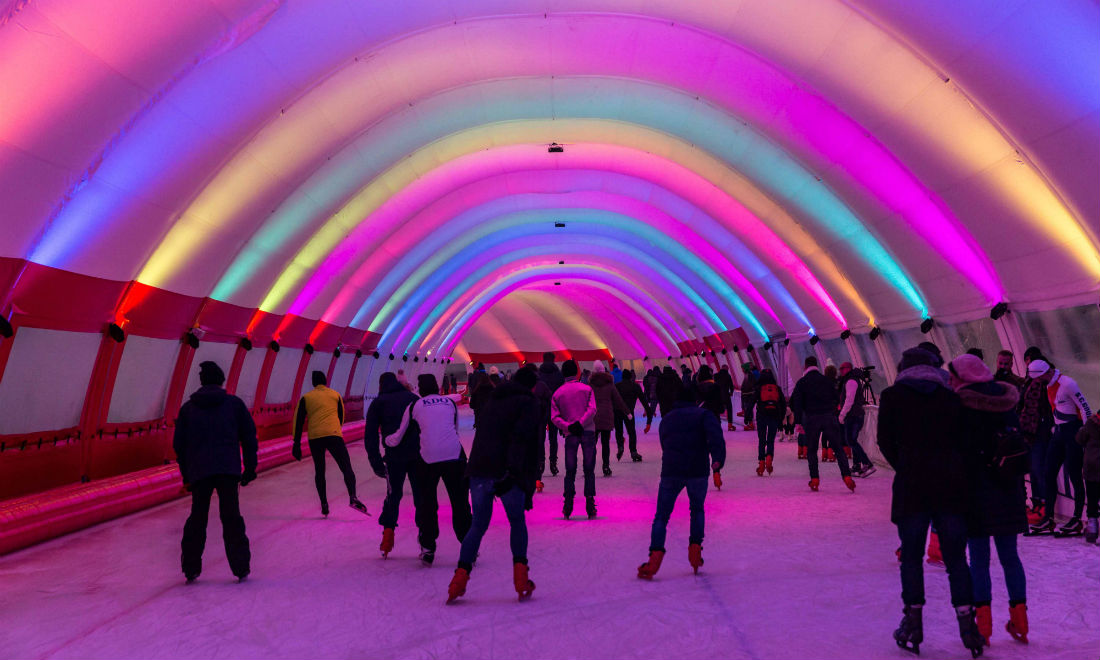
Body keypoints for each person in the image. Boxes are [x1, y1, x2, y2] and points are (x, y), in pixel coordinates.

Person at [878, 348, 984, 658]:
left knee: (911, 556)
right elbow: (965, 442)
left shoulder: (892, 396)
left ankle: (913, 623)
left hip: (912, 486)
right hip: (949, 486)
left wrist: (906, 464)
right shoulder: (951, 398)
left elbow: (885, 441)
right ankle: (968, 626)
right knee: (955, 559)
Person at [949, 354, 1029, 646]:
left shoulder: (961, 406)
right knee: (1010, 557)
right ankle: (1021, 619)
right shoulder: (1007, 402)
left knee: (979, 560)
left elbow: (956, 451)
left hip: (976, 492)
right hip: (1008, 489)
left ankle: (984, 625)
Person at [447, 368, 542, 603]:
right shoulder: (528, 403)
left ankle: (458, 580)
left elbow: (482, 437)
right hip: (506, 471)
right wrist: (516, 473)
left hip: (480, 469)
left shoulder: (493, 400)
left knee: (478, 525)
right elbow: (523, 440)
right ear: (532, 386)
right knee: (517, 521)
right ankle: (521, 577)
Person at [173, 361, 258, 583]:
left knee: (198, 517)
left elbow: (179, 445)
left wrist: (186, 475)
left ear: (201, 382)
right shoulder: (234, 405)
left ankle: (191, 567)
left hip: (199, 471)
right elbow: (249, 437)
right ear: (221, 381)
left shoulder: (188, 409)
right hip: (228, 469)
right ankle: (241, 567)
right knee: (231, 517)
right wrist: (250, 467)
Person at [637, 385, 726, 579]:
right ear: (694, 399)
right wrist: (718, 460)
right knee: (697, 510)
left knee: (662, 516)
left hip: (671, 471)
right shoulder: (704, 415)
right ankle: (695, 551)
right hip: (697, 471)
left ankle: (654, 558)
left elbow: (664, 442)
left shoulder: (668, 418)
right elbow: (716, 438)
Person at [384, 374, 472, 565]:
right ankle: (468, 544)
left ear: (420, 389)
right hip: (454, 456)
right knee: (460, 502)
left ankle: (428, 546)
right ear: (437, 386)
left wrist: (386, 440)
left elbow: (399, 436)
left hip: (428, 459)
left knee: (427, 503)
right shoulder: (450, 404)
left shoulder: (415, 406)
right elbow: (455, 431)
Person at [1028, 359, 1093, 536]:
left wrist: (1084, 434)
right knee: (1048, 472)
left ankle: (1077, 518)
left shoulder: (1068, 383)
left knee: (1075, 475)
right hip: (1059, 433)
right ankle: (1048, 517)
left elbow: (1085, 408)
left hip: (1073, 432)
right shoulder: (1048, 384)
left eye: (1039, 379)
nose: (1038, 383)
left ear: (1046, 373)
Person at [291, 371, 369, 517]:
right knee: (346, 467)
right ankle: (353, 496)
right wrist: (336, 429)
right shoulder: (335, 395)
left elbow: (299, 420)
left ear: (313, 382)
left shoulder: (306, 397)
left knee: (320, 471)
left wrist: (296, 443)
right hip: (334, 435)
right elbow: (341, 415)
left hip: (315, 437)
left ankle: (324, 504)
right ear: (326, 381)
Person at [364, 372, 422, 558]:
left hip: (393, 457)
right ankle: (425, 537)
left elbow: (370, 435)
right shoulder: (413, 398)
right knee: (421, 496)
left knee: (393, 495)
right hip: (416, 455)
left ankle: (387, 536)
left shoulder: (379, 403)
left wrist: (375, 462)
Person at [790, 356, 855, 492]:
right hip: (828, 417)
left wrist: (798, 422)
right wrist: (831, 411)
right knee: (838, 449)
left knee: (812, 450)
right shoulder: (826, 381)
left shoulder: (802, 382)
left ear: (805, 366)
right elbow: (837, 398)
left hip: (812, 419)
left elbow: (795, 402)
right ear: (817, 366)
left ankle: (815, 479)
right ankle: (847, 476)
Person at [550, 359, 598, 519]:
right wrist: (581, 423)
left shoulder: (558, 394)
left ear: (563, 373)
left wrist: (568, 426)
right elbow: (592, 409)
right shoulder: (587, 389)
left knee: (570, 469)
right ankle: (590, 502)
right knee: (588, 468)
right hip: (588, 431)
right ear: (577, 372)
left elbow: (554, 417)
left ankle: (568, 503)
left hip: (570, 434)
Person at [1017, 351, 1054, 524]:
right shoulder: (1031, 381)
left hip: (1039, 429)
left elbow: (1045, 406)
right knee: (1033, 467)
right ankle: (1038, 502)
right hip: (1030, 430)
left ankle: (1046, 505)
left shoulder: (1043, 383)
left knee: (1039, 467)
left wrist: (1047, 424)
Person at [589, 360, 630, 477]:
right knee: (605, 443)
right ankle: (606, 466)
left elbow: (585, 401)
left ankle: (589, 465)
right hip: (607, 416)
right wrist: (627, 412)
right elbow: (618, 400)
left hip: (594, 417)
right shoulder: (609, 384)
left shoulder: (590, 385)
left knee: (592, 444)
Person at [838, 362, 876, 478]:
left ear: (848, 369)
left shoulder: (851, 381)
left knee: (851, 441)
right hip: (854, 415)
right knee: (853, 440)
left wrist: (842, 414)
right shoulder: (851, 380)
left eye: (842, 368)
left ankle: (867, 464)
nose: (840, 371)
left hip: (853, 415)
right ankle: (856, 466)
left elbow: (849, 400)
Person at [752, 369, 786, 476]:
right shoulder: (777, 388)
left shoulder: (759, 388)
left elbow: (751, 402)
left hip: (761, 416)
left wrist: (747, 415)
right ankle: (769, 458)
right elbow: (783, 404)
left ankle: (761, 464)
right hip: (774, 416)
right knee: (770, 440)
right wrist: (781, 418)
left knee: (762, 440)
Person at [537, 352, 565, 476]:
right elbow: (562, 394)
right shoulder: (559, 375)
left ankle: (541, 461)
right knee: (553, 438)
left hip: (541, 410)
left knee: (540, 438)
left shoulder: (538, 374)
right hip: (554, 410)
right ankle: (553, 463)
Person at [1076, 412, 1100, 544]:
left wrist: (1081, 429)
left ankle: (1092, 527)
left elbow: (1079, 439)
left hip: (1092, 466)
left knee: (1092, 498)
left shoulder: (1091, 423)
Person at [615, 369, 648, 462]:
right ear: (630, 377)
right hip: (629, 412)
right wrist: (648, 409)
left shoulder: (617, 386)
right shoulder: (635, 386)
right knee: (631, 432)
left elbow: (612, 398)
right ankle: (633, 451)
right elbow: (643, 399)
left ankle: (620, 446)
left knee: (619, 430)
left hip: (617, 411)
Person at [714, 364, 737, 431]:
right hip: (726, 396)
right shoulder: (728, 376)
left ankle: (717, 424)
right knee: (729, 409)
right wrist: (731, 393)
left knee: (716, 410)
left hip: (718, 396)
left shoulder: (716, 375)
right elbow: (731, 386)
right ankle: (730, 425)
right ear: (726, 369)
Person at [740, 362, 759, 431]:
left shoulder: (749, 375)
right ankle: (750, 424)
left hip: (748, 394)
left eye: (742, 369)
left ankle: (751, 424)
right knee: (748, 409)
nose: (742, 370)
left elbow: (751, 384)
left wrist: (744, 389)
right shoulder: (747, 374)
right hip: (747, 394)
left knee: (749, 409)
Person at [643, 366, 661, 433]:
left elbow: (647, 386)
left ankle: (648, 425)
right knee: (665, 412)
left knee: (650, 410)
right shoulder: (661, 377)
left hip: (653, 396)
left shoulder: (650, 378)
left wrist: (648, 394)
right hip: (661, 397)